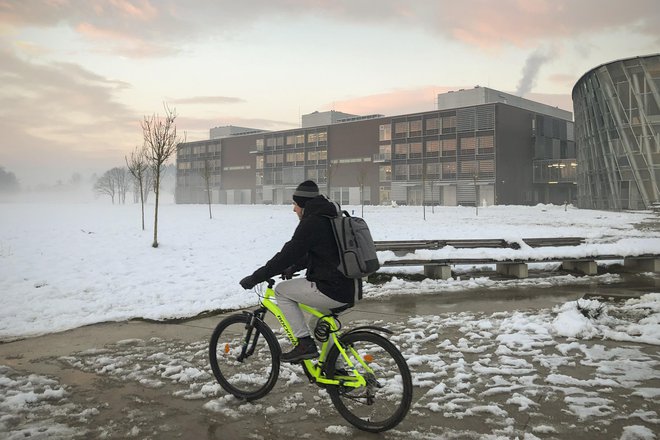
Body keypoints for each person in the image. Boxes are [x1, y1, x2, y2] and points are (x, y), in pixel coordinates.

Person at [239, 180, 361, 363]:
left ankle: (304, 343)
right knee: (316, 324)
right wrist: (294, 267)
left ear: (303, 204)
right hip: (350, 287)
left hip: (332, 289)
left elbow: (286, 255)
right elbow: (318, 253)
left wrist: (256, 277)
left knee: (281, 290)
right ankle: (336, 370)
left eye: (295, 204)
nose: (293, 209)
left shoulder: (312, 223)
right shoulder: (331, 218)